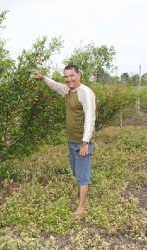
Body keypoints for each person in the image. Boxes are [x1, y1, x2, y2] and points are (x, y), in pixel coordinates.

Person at [31, 65, 96, 216]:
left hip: (82, 142)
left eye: (72, 76)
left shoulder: (85, 93)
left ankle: (81, 207)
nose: (69, 79)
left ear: (79, 75)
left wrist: (85, 142)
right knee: (75, 171)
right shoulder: (67, 90)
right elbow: (55, 85)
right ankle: (84, 200)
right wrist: (42, 77)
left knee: (82, 175)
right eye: (66, 76)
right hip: (72, 140)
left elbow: (90, 118)